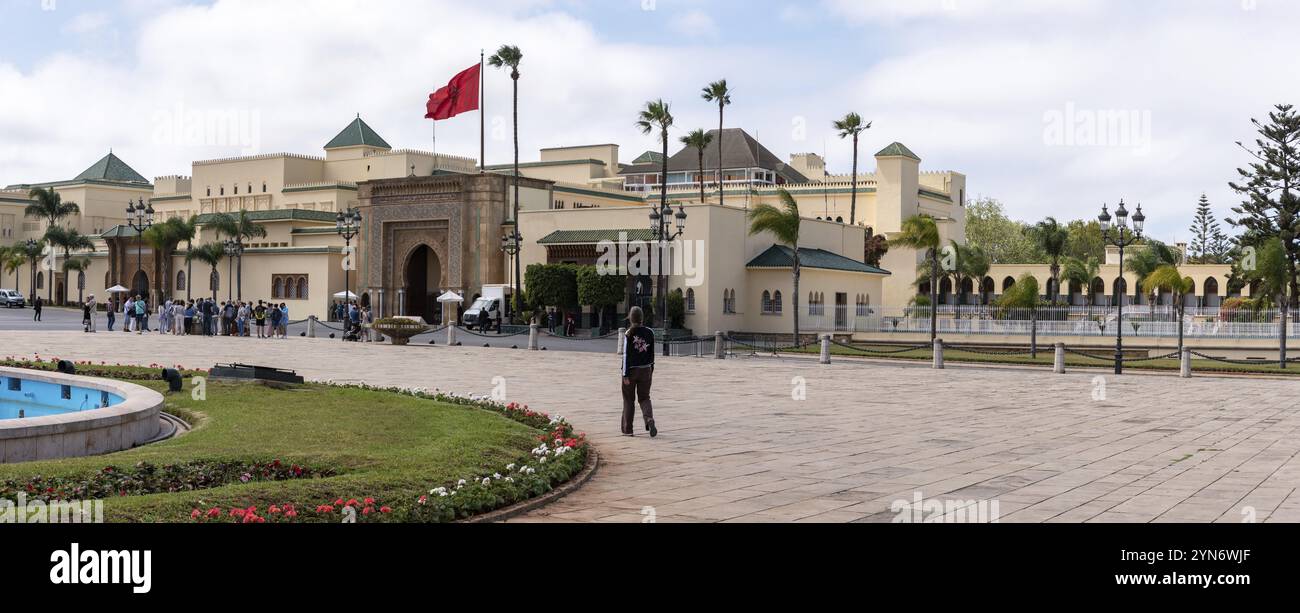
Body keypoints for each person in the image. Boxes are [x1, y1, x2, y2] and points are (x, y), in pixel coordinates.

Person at [620, 306, 657, 438]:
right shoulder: (650, 332)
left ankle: (628, 429)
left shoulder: (628, 334)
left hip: (631, 370)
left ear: (630, 317)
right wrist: (652, 368)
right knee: (645, 397)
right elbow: (652, 353)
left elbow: (625, 355)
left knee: (628, 399)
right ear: (642, 318)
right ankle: (649, 419)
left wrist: (625, 374)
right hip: (646, 369)